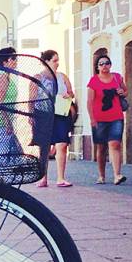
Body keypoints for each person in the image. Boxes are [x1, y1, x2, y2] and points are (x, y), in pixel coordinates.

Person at [37, 50, 75, 188]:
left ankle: (61, 177)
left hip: (61, 114)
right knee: (44, 147)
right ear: (46, 62)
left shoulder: (62, 76)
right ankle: (43, 178)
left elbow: (71, 93)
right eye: (55, 60)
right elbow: (32, 97)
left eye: (58, 60)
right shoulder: (38, 77)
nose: (57, 63)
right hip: (44, 114)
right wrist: (31, 116)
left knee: (62, 144)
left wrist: (68, 94)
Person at [87, 55, 127, 185]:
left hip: (116, 116)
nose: (104, 66)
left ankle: (117, 175)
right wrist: (92, 119)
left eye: (107, 63)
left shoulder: (117, 77)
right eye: (101, 64)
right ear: (97, 67)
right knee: (101, 148)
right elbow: (90, 101)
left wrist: (122, 92)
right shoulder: (94, 81)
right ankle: (102, 175)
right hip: (99, 118)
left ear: (110, 64)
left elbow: (125, 91)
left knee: (115, 144)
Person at [0, 47, 23, 168]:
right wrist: (8, 123)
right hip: (0, 120)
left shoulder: (5, 76)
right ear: (4, 62)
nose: (15, 61)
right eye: (12, 58)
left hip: (2, 119)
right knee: (1, 151)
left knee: (3, 149)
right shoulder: (2, 76)